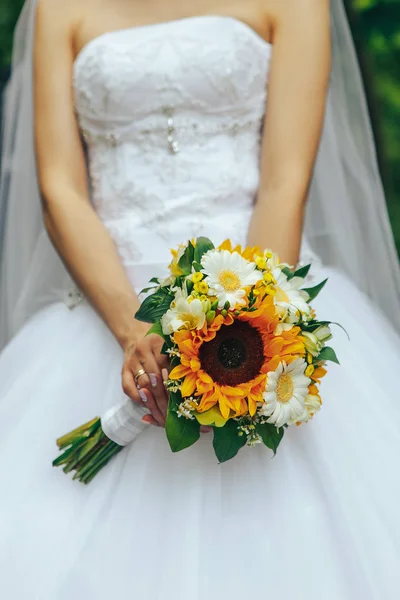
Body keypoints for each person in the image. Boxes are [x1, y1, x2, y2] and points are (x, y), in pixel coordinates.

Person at [0, 0, 399, 598]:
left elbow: (285, 181)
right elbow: (59, 186)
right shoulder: (57, 8)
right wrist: (136, 332)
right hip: (106, 312)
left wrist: (250, 334)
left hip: (253, 295)